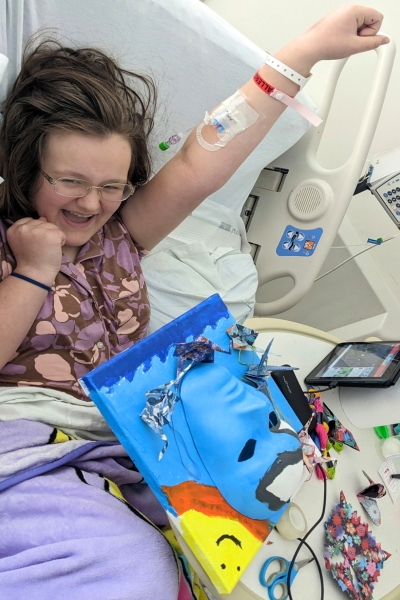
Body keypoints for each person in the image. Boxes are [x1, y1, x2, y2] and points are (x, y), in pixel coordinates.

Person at [0, 5, 388, 599]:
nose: (91, 203)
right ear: (27, 169)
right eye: (70, 181)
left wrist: (304, 52)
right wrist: (32, 272)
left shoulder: (122, 235)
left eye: (111, 185)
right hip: (33, 438)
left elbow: (200, 162)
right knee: (133, 569)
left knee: (277, 494)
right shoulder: (7, 249)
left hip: (125, 433)